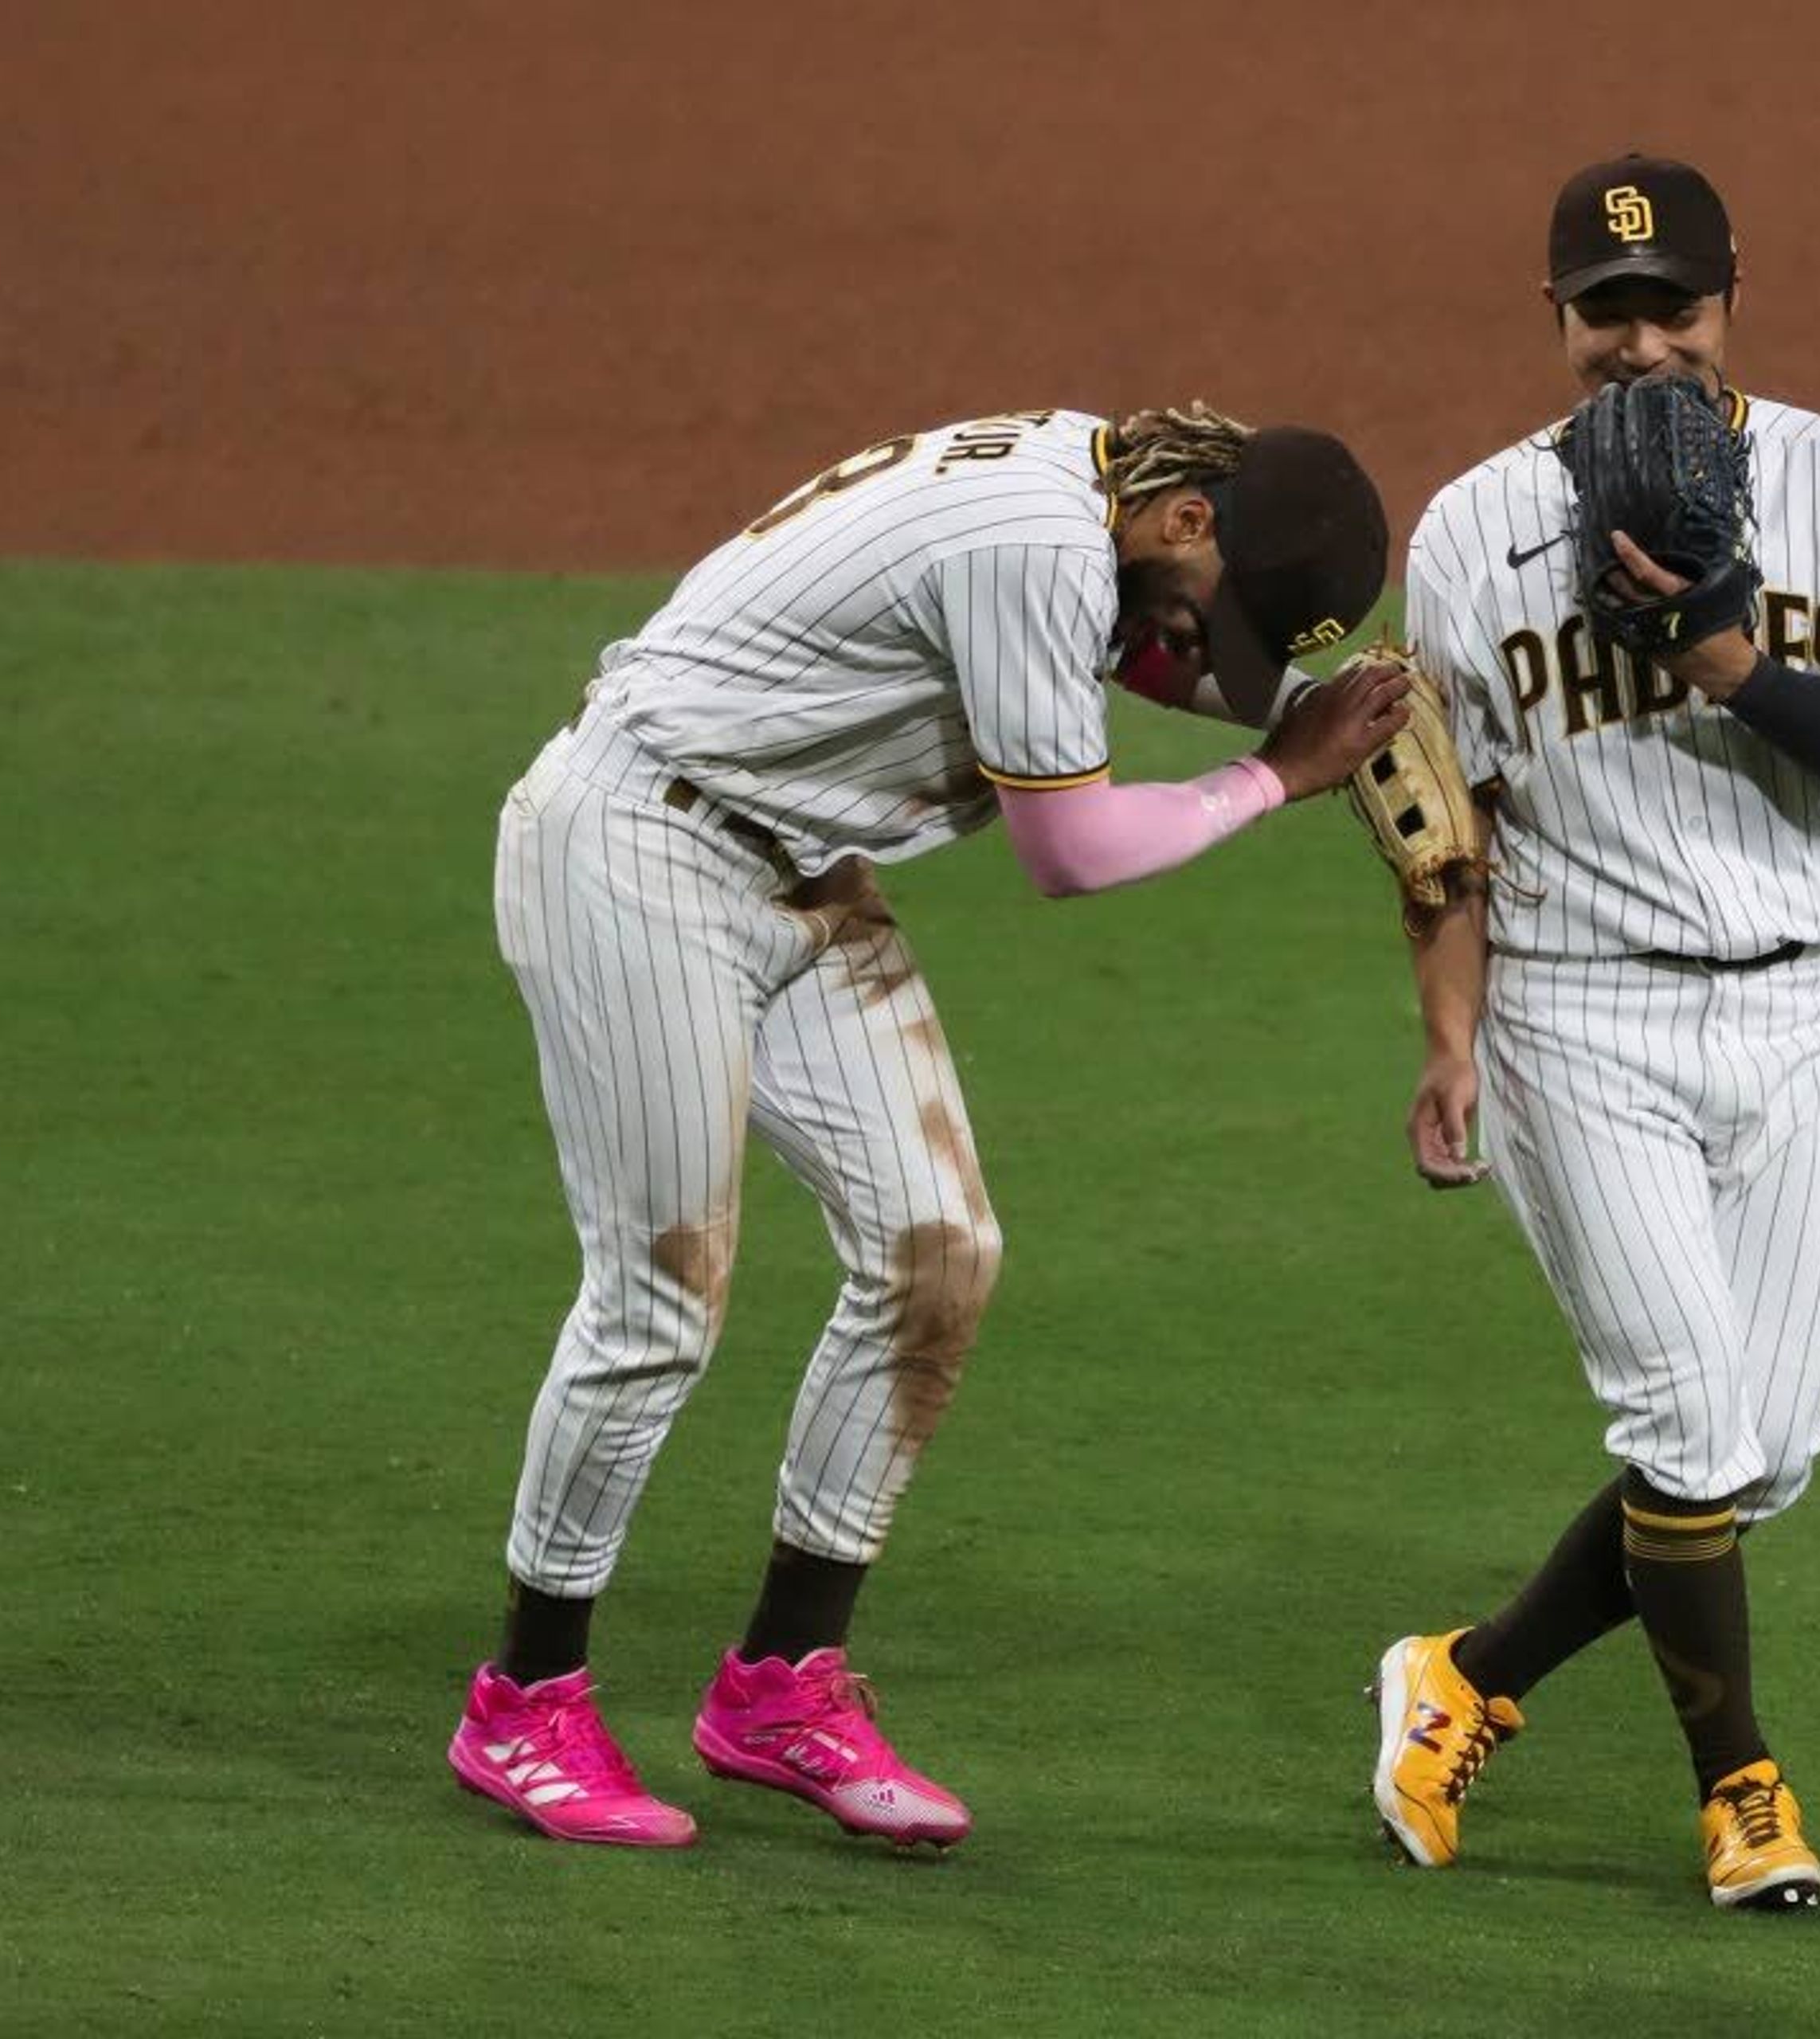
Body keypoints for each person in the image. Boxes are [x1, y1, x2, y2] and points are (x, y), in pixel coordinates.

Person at [449, 404, 1410, 1849]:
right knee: (660, 1300)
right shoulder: (1034, 549)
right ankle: (522, 1702)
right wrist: (1276, 772)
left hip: (793, 867)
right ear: (1192, 523)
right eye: (1229, 624)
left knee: (937, 1252)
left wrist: (1342, 709)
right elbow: (1068, 851)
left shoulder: (1111, 503)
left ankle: (779, 1687)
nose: (1208, 657)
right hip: (640, 852)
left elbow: (1158, 656)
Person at [1366, 154, 1820, 1912]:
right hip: (1581, 1020)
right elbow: (1441, 833)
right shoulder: (1474, 531)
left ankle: (1468, 1673)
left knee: (1758, 1455)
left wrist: (1731, 662)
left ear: (1731, 301)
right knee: (1694, 1435)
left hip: (1793, 1014)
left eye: (1671, 308)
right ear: (1553, 318)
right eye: (1602, 312)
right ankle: (1743, 1788)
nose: (1638, 344)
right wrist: (1453, 1037)